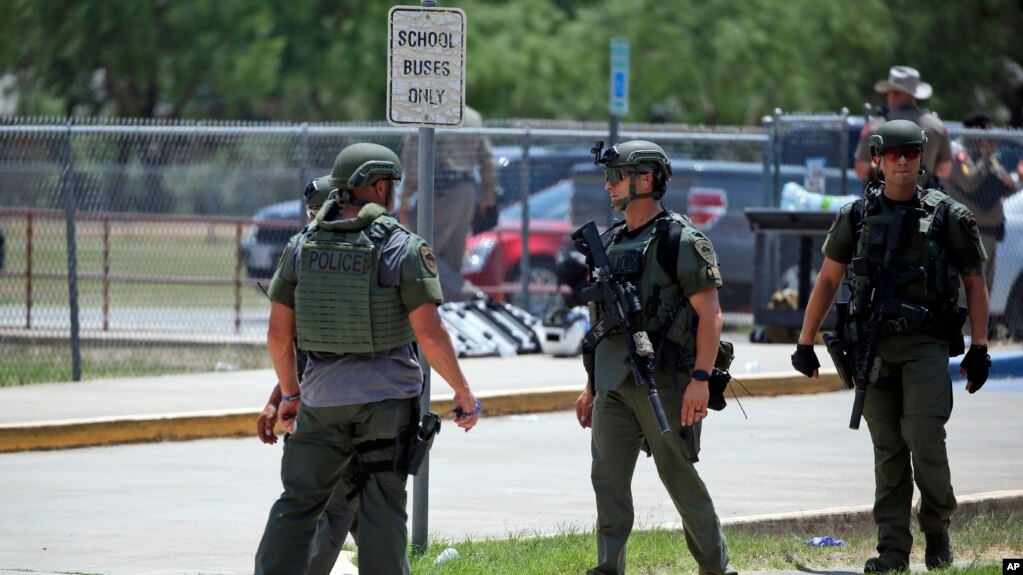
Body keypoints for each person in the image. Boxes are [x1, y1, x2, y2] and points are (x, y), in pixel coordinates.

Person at [254, 143, 481, 575]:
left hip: (321, 401)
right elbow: (430, 333)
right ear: (379, 185)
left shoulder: (301, 245)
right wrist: (462, 392)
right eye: (392, 184)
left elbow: (278, 334)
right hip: (387, 403)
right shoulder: (403, 247)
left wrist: (288, 393)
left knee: (299, 503)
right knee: (381, 508)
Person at [791, 120, 991, 573]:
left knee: (923, 436)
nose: (903, 161)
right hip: (872, 349)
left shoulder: (948, 217)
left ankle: (936, 525)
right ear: (877, 160)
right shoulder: (855, 216)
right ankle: (893, 551)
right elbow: (828, 279)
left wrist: (979, 346)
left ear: (922, 158)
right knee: (888, 450)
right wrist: (805, 342)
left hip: (924, 344)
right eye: (894, 153)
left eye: (912, 152)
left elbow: (974, 281)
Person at [573, 140, 737, 575]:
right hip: (612, 384)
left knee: (678, 476)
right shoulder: (607, 244)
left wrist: (701, 379)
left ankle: (716, 566)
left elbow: (711, 316)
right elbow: (599, 326)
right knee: (607, 481)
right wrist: (590, 386)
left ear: (645, 180)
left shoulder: (680, 240)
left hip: (663, 381)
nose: (609, 186)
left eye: (616, 177)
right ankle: (608, 568)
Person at [255, 174, 359, 575]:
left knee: (329, 508)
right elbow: (298, 345)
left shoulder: (347, 259)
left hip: (339, 407)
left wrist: (285, 398)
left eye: (319, 211)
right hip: (352, 404)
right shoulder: (310, 254)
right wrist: (277, 397)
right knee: (366, 511)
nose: (313, 220)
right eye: (311, 213)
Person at [398, 105, 497, 301]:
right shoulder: (473, 116)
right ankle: (451, 308)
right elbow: (488, 160)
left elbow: (414, 160)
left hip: (439, 191)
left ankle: (466, 294)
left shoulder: (428, 112)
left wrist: (405, 198)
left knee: (420, 251)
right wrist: (487, 195)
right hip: (467, 190)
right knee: (452, 258)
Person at [946, 111, 1018, 292]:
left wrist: (991, 162)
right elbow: (969, 182)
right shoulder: (958, 152)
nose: (990, 137)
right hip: (968, 233)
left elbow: (1008, 184)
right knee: (968, 295)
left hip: (989, 233)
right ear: (975, 131)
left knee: (985, 292)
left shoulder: (984, 155)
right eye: (987, 131)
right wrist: (986, 158)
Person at [855, 66, 952, 188]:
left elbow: (861, 170)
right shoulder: (937, 126)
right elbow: (945, 170)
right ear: (914, 94)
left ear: (894, 94)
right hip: (924, 202)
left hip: (884, 203)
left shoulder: (876, 127)